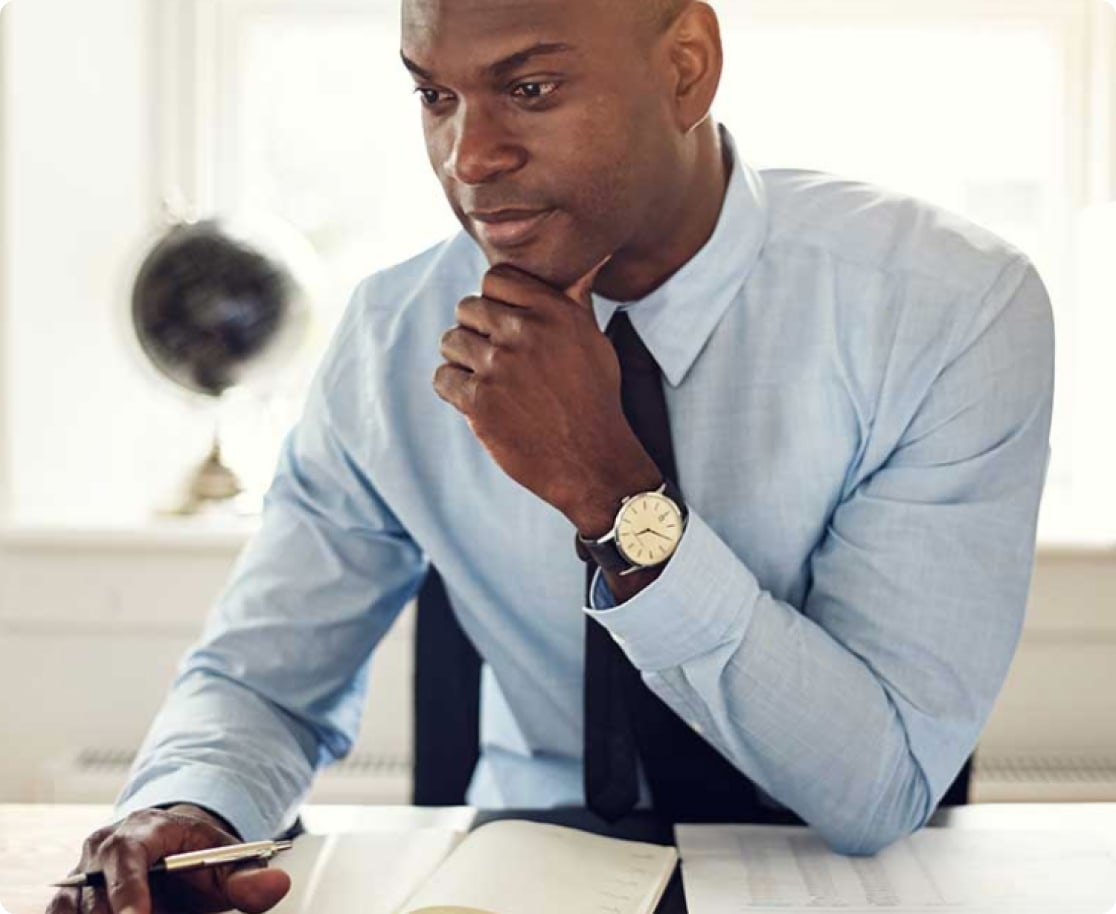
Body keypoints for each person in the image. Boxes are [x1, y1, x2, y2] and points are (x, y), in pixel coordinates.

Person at [49, 0, 1055, 911]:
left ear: (687, 68)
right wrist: (192, 806)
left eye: (530, 88)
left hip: (846, 882)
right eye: (435, 94)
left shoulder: (946, 308)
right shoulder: (392, 336)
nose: (471, 154)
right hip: (521, 878)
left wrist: (615, 498)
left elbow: (876, 789)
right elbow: (265, 677)